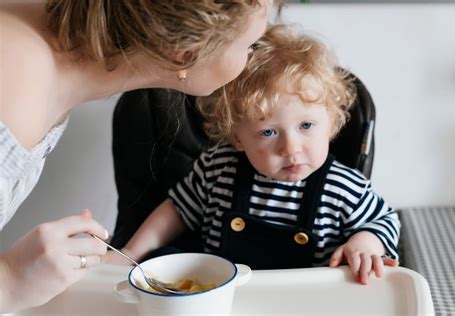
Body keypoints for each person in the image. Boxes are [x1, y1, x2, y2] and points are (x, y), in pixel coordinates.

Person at [0, 0, 273, 312]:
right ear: (185, 52)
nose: (252, 58)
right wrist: (9, 280)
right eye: (251, 45)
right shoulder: (13, 93)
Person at [104, 24, 401, 285]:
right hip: (222, 297)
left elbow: (386, 221)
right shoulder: (218, 169)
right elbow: (176, 211)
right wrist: (130, 253)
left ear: (332, 125)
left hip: (306, 303)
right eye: (269, 132)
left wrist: (366, 242)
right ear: (237, 137)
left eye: (306, 126)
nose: (291, 148)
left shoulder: (342, 187)